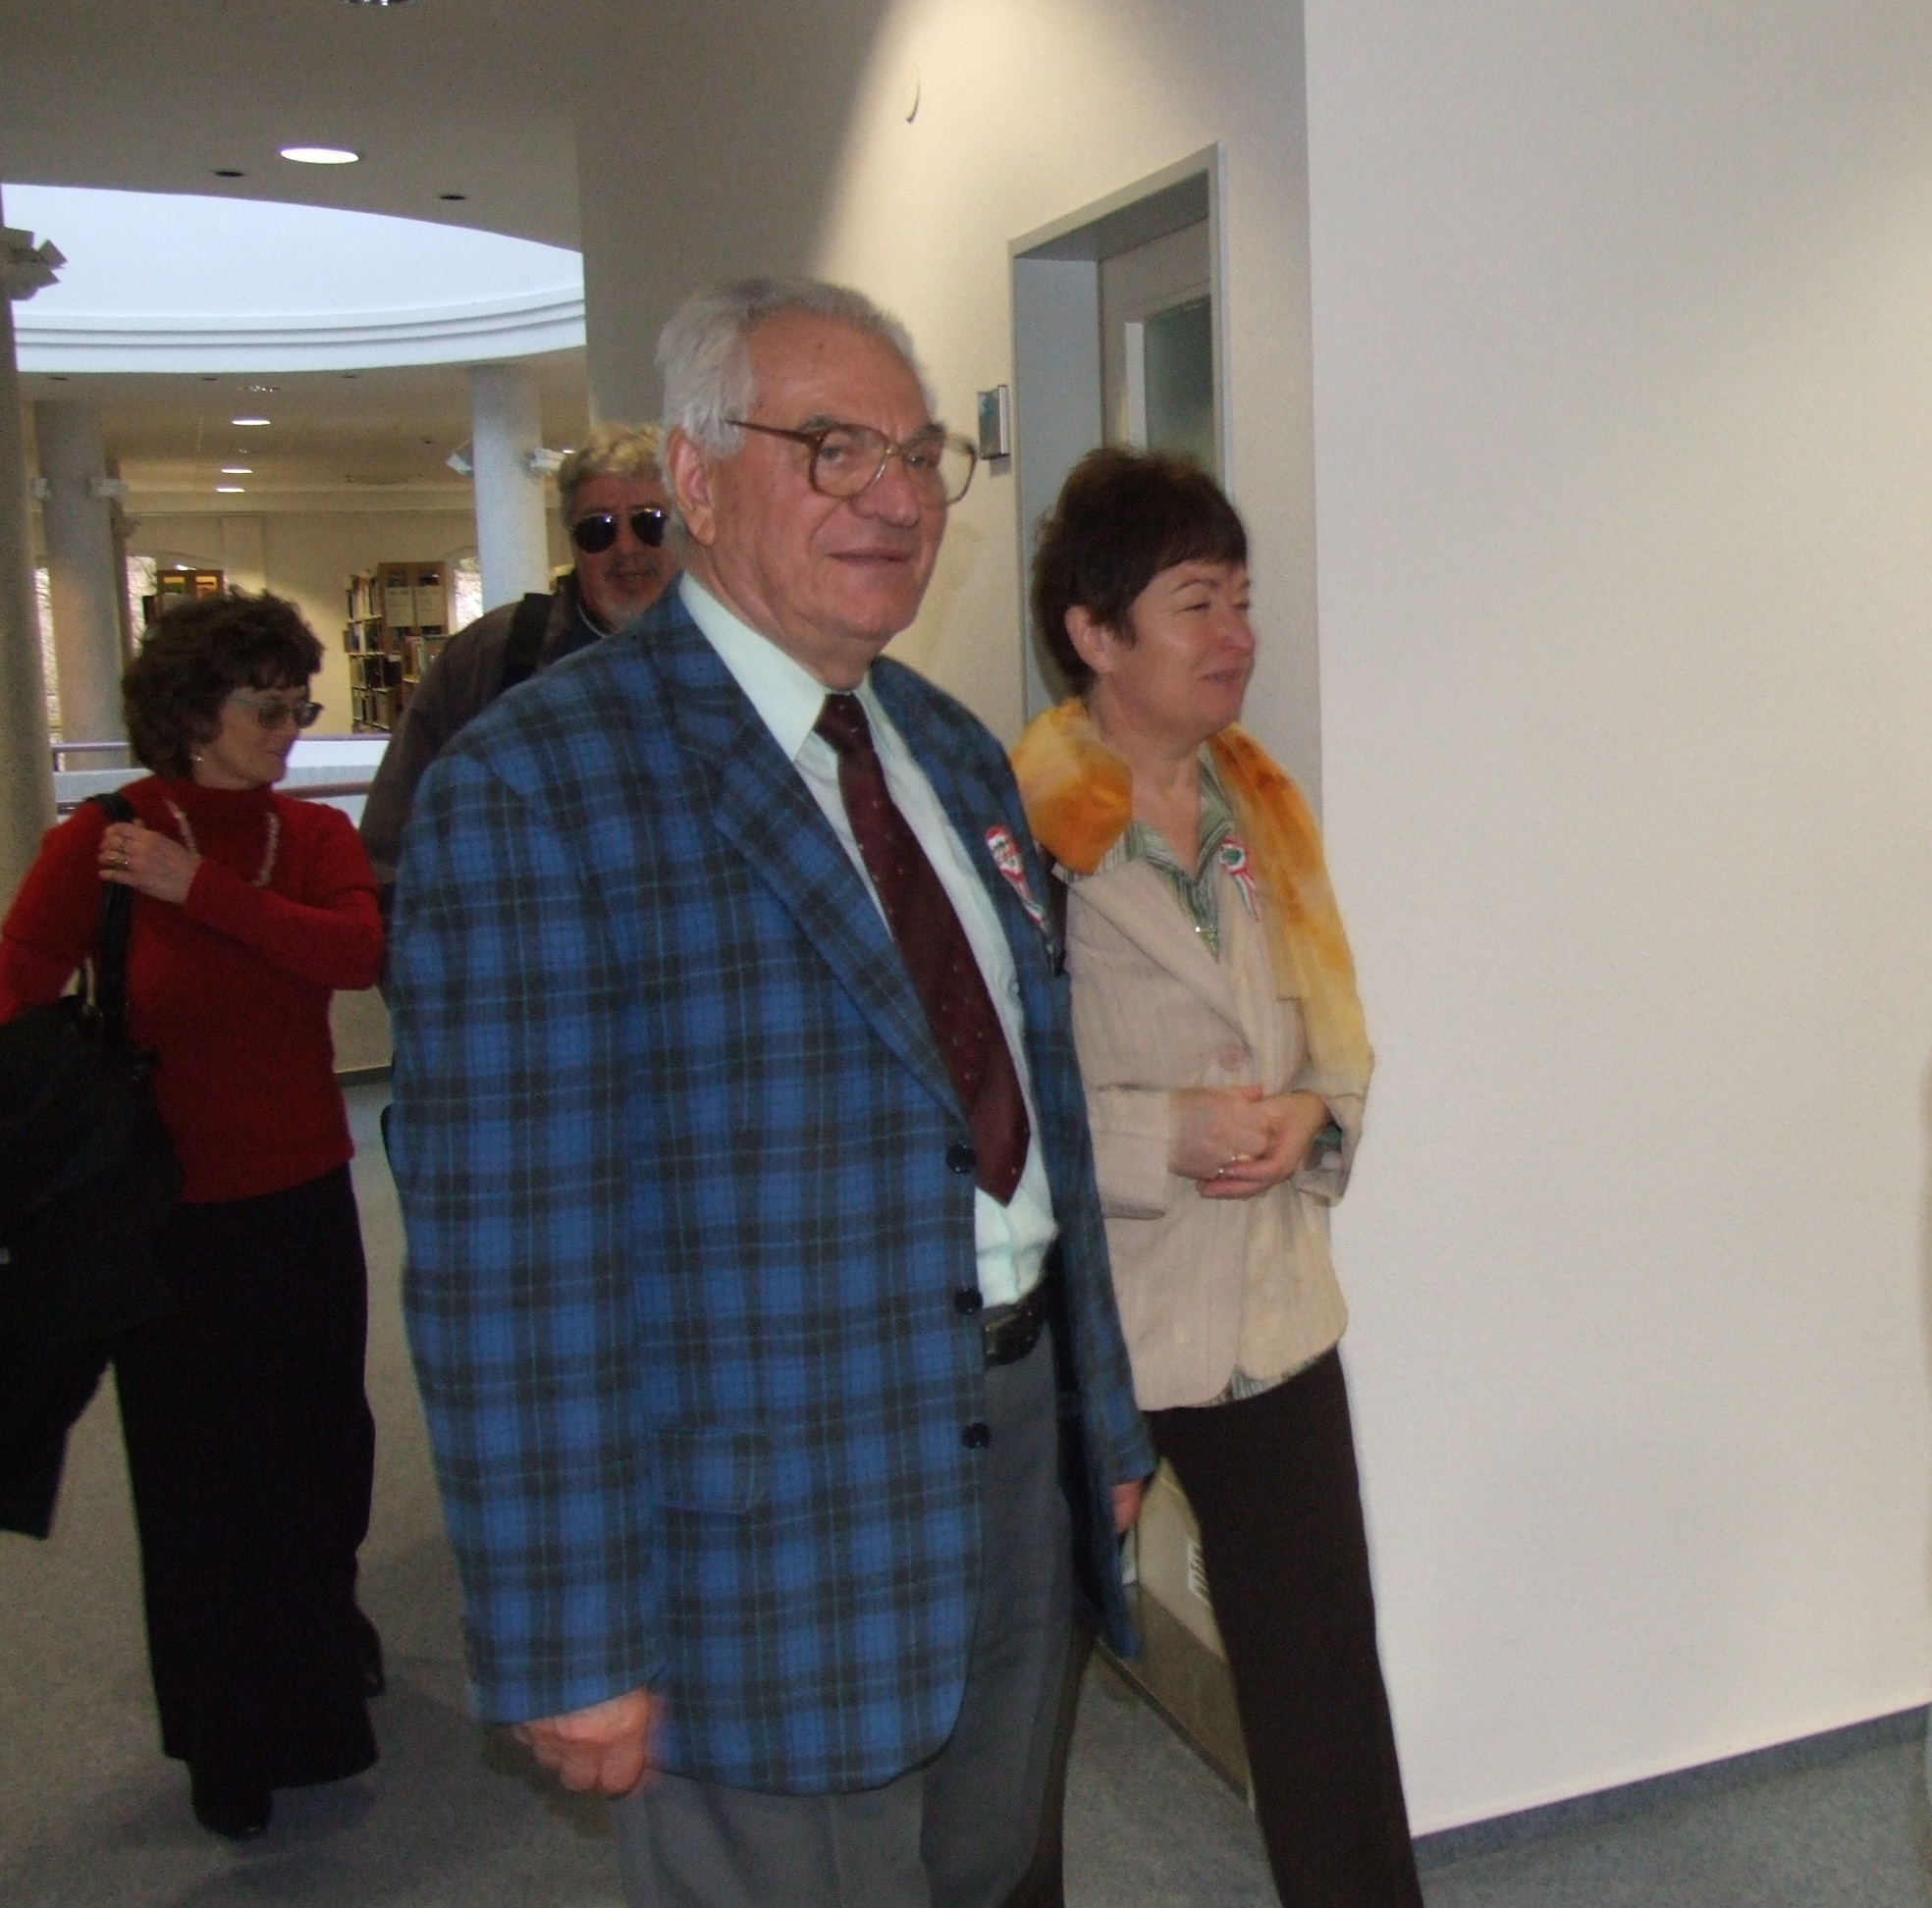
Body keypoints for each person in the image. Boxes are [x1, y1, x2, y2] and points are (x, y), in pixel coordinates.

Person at [387, 279, 1154, 1908]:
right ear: (696, 474)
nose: (895, 496)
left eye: (918, 453)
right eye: (831, 447)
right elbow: (507, 1263)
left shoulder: (949, 748)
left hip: (1013, 1444)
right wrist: (568, 1632)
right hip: (758, 1532)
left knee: (989, 1868)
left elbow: (1037, 1114)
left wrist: (1096, 1417)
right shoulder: (536, 785)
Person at [1013, 449, 1422, 1908]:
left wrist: (1315, 1113)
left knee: (1324, 1684)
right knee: (1018, 1712)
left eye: (1241, 598)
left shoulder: (1263, 805)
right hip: (1096, 1327)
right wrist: (1159, 1137)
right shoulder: (1020, 825)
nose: (1237, 634)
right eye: (1197, 602)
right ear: (1094, 631)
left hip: (1270, 1315)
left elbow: (1334, 1029)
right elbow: (982, 1098)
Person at [0, 592, 385, 1841]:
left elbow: (352, 956)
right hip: (162, 1216)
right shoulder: (105, 838)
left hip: (304, 1197)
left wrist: (202, 889)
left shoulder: (309, 833)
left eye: (299, 706)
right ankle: (226, 1742)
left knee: (320, 1456)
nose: (289, 729)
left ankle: (319, 1688)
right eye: (265, 707)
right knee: (196, 1487)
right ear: (190, 712)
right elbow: (15, 985)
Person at [357, 421, 676, 903]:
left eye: (650, 522)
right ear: (573, 543)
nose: (626, 548)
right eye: (598, 529)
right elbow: (394, 837)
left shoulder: (740, 655)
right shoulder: (494, 652)